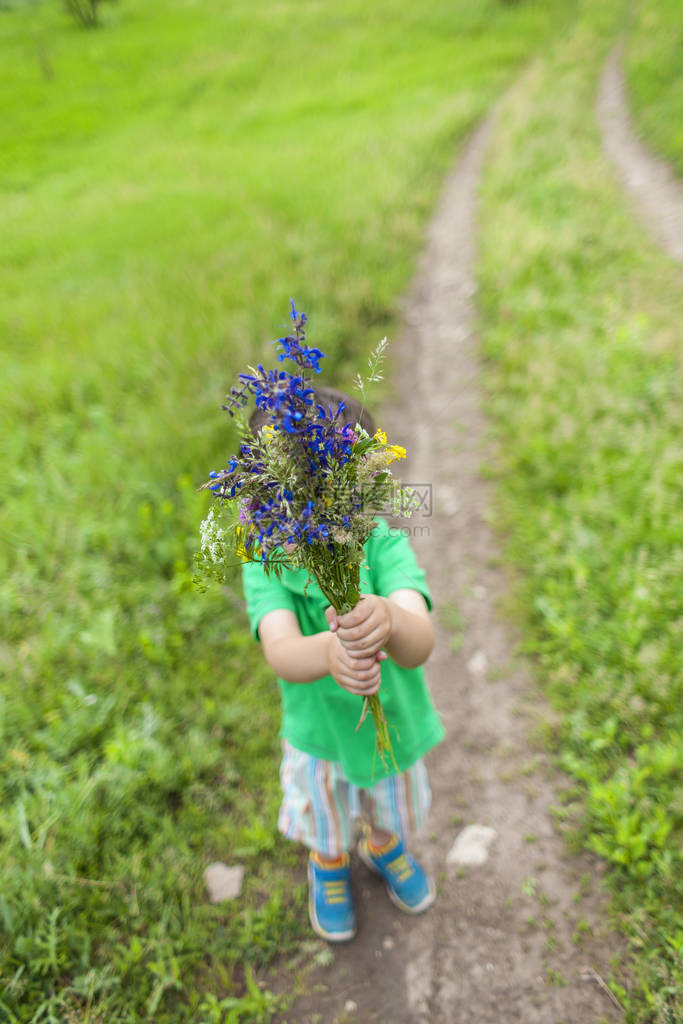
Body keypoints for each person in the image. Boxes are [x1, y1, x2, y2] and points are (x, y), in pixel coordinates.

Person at [241, 387, 444, 942]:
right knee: (325, 813)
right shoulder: (265, 565)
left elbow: (420, 643)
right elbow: (281, 652)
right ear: (267, 502)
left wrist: (391, 618)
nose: (325, 517)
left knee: (385, 799)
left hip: (392, 720)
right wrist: (330, 653)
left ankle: (381, 844)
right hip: (321, 736)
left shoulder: (383, 546)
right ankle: (328, 864)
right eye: (302, 499)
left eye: (343, 494)